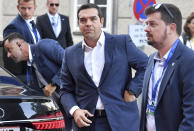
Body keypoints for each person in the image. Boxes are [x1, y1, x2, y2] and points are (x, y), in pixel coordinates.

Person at [59, 3, 148, 131]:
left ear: (101, 21)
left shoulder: (121, 43)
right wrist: (74, 110)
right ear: (78, 24)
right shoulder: (70, 53)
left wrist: (133, 90)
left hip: (121, 121)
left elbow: (146, 64)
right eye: (83, 20)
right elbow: (65, 89)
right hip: (87, 123)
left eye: (93, 19)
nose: (88, 23)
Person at [140, 3, 194, 131]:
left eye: (152, 24)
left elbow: (191, 118)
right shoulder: (151, 59)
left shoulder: (189, 61)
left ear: (171, 28)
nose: (146, 29)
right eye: (146, 24)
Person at [2, 32, 72, 131]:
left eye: (9, 50)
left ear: (19, 44)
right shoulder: (29, 66)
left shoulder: (44, 46)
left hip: (78, 101)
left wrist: (53, 83)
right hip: (62, 111)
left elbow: (69, 62)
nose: (8, 55)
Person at [3, 0, 41, 84]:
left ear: (35, 8)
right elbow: (11, 57)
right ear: (18, 8)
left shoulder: (34, 24)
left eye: (29, 8)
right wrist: (16, 82)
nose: (26, 12)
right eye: (23, 8)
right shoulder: (13, 26)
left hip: (37, 75)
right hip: (24, 77)